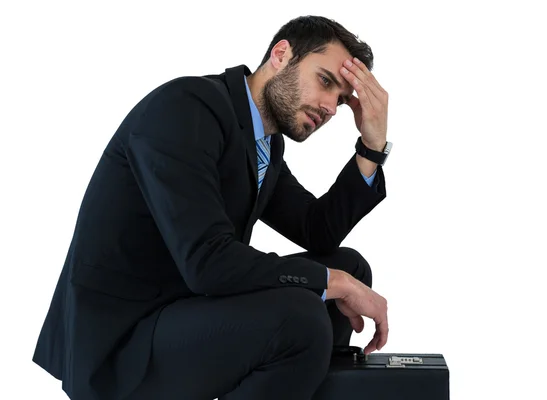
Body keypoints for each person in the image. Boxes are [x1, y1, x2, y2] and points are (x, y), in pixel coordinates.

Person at [32, 15, 392, 400]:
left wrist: (371, 147)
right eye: (325, 81)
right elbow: (208, 262)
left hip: (183, 312)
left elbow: (316, 229)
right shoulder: (185, 109)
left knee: (349, 267)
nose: (330, 108)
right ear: (282, 54)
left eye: (339, 98)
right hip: (123, 342)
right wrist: (328, 282)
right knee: (303, 319)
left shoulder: (263, 141)